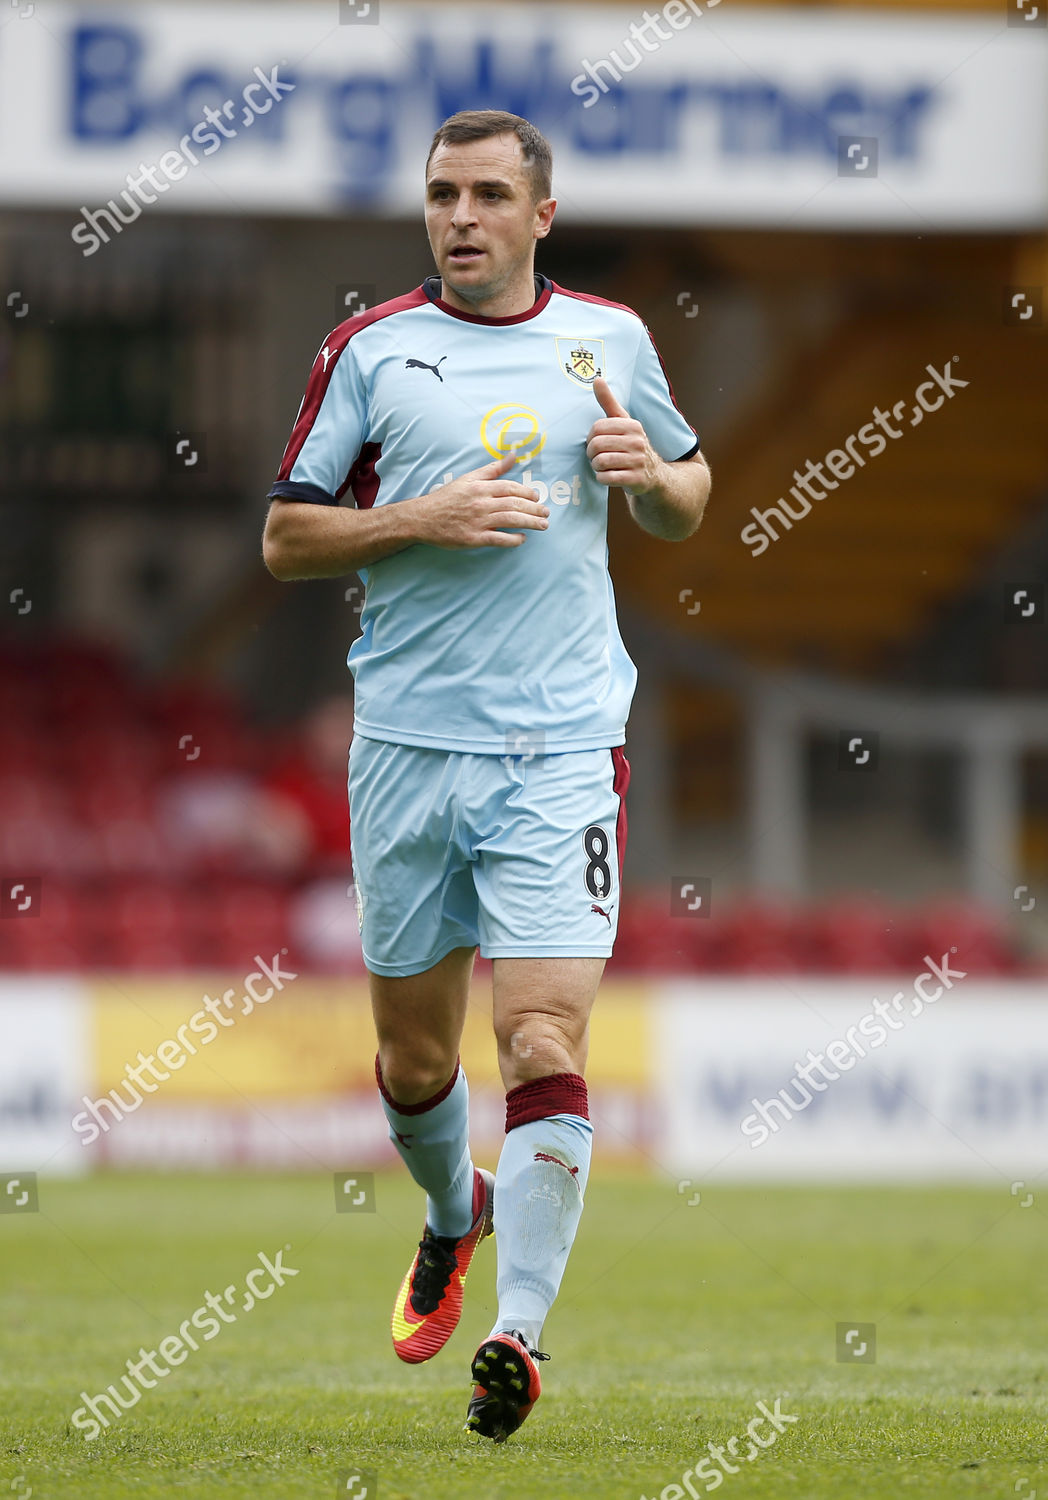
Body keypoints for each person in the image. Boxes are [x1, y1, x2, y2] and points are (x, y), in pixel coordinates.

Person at [262, 108, 710, 1444]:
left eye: (488, 196)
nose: (460, 217)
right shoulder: (369, 347)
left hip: (564, 746)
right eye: (442, 194)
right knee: (411, 1062)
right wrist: (421, 517)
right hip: (406, 743)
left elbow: (689, 486)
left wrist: (653, 485)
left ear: (541, 214)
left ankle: (517, 1333)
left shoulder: (611, 340)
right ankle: (456, 1217)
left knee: (543, 1039)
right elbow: (288, 539)